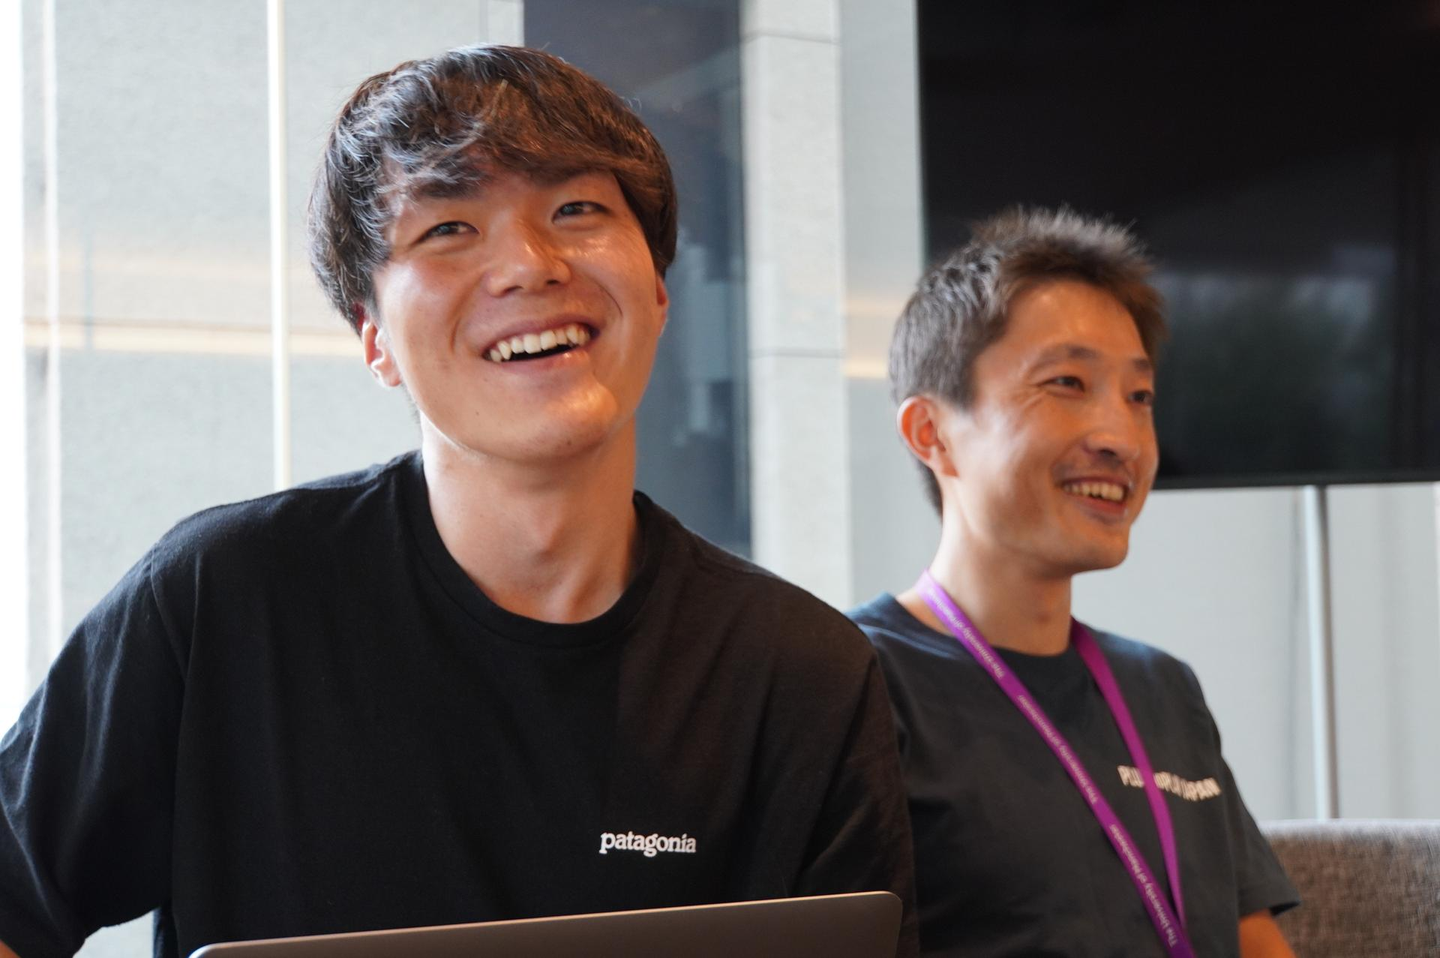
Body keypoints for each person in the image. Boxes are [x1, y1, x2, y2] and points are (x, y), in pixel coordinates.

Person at [0, 45, 916, 958]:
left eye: (576, 210)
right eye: (447, 229)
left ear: (658, 288)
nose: (529, 265)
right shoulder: (223, 599)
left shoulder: (800, 672)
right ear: (375, 339)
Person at [850, 207, 1298, 957]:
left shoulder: (1163, 688)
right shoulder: (856, 682)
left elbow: (1253, 940)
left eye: (1139, 397)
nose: (1121, 438)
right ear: (932, 433)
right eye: (1067, 383)